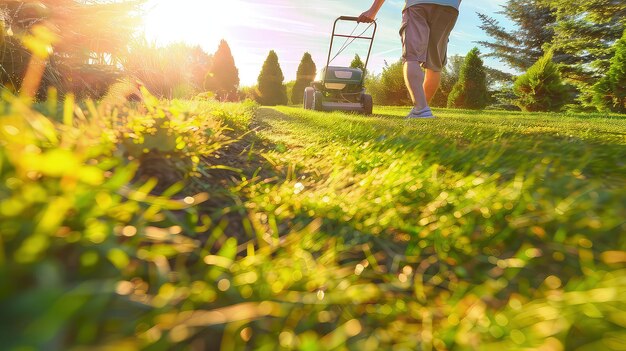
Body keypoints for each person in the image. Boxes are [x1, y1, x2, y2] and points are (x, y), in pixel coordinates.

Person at [358, 0, 461, 118]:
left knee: (412, 57)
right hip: (449, 8)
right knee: (434, 63)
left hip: (418, 4)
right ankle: (422, 109)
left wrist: (372, 11)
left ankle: (421, 109)